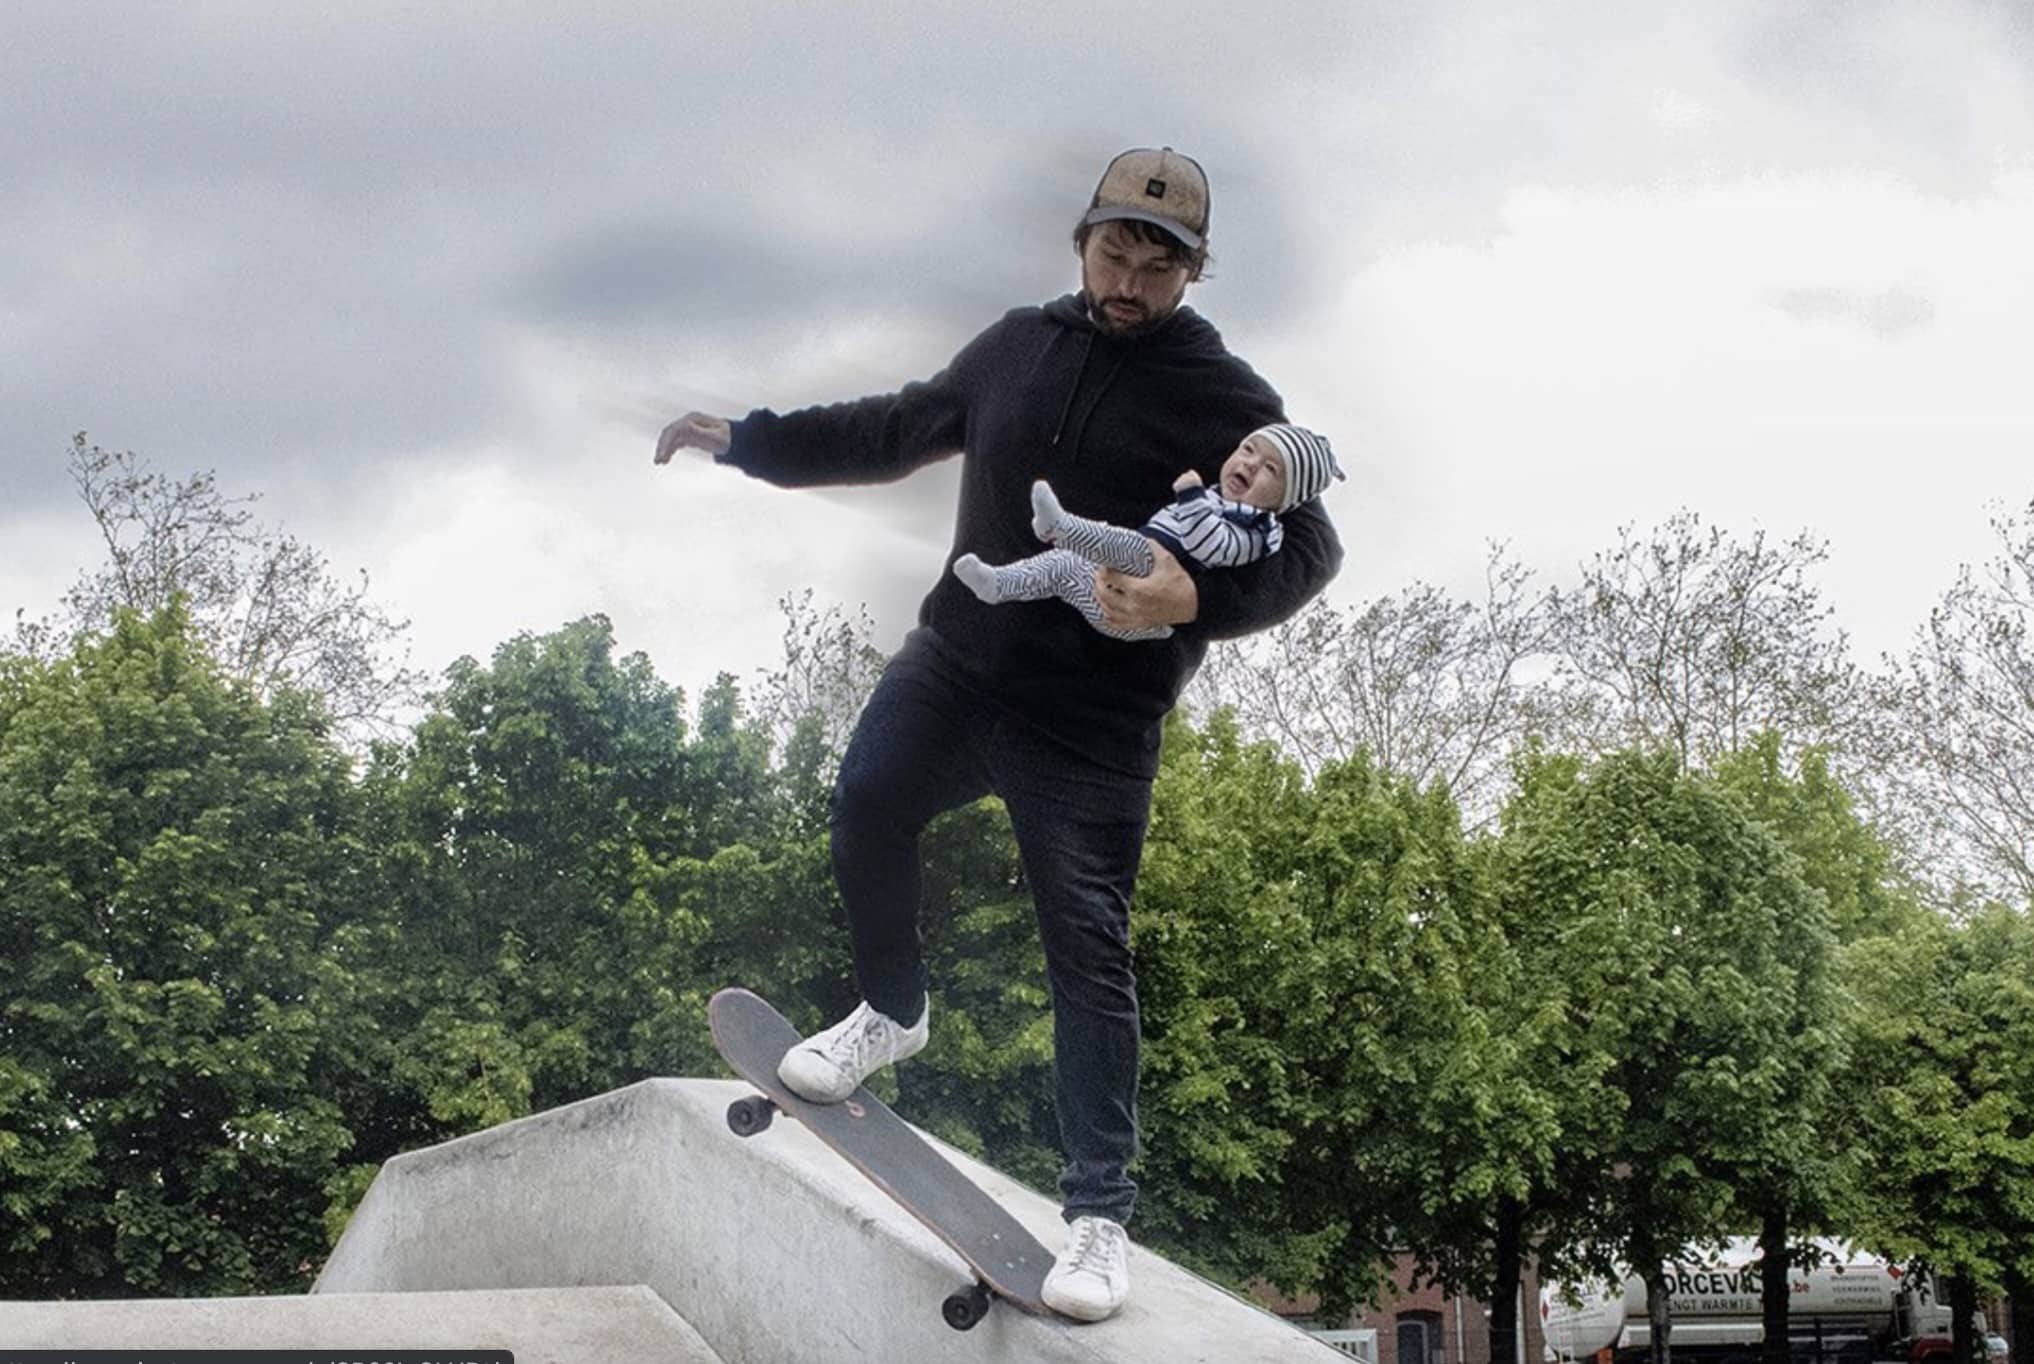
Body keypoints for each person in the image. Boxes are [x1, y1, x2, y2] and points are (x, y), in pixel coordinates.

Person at [654, 146, 1343, 1322]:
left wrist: (1193, 599)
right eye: (1116, 248)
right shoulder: (1015, 344)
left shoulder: (1224, 391)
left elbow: (1314, 545)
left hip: (1091, 723)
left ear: (1192, 272)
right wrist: (747, 438)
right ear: (1083, 239)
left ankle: (1098, 1218)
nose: (1131, 279)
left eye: (1160, 264)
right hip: (960, 665)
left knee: (1086, 952)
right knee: (868, 797)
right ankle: (891, 1009)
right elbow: (894, 427)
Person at [953, 422, 1343, 641]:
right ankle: (997, 584)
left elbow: (1212, 544)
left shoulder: (1256, 530)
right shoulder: (1218, 497)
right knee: (1062, 568)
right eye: (1248, 449)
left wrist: (1191, 498)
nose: (1252, 465)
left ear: (1284, 502)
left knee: (1124, 544)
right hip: (1114, 602)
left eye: (1272, 470)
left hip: (1149, 586)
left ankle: (1059, 526)